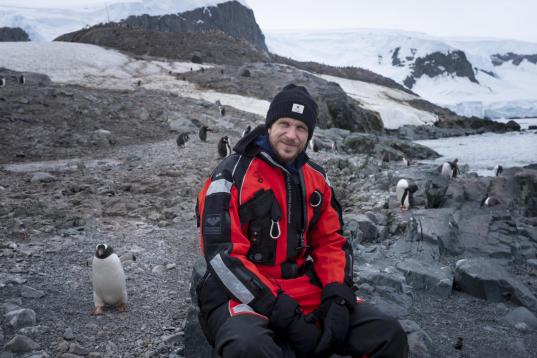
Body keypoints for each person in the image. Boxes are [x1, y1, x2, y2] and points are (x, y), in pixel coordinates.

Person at [196, 84, 408, 358]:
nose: (291, 135)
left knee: (387, 334)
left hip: (301, 288)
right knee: (248, 347)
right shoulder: (230, 176)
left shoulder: (316, 179)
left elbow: (331, 242)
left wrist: (336, 295)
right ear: (269, 125)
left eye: (301, 128)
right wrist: (280, 310)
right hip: (241, 292)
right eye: (284, 124)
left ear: (309, 135)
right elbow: (221, 256)